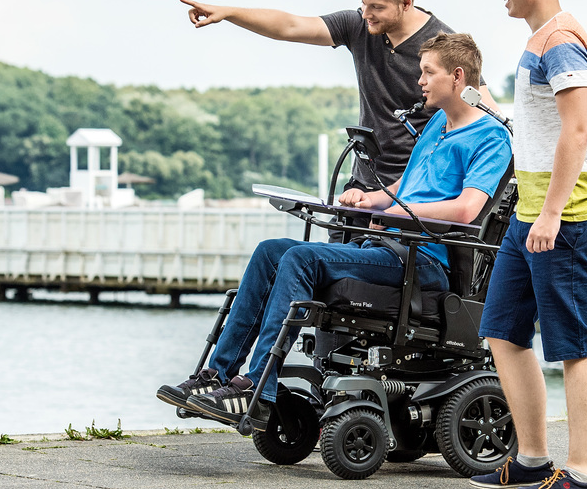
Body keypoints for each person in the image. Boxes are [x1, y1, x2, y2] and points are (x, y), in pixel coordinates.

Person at [156, 33, 512, 429]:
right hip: (385, 245)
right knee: (270, 250)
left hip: (422, 259)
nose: (420, 81)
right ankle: (218, 376)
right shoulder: (435, 126)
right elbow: (405, 189)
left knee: (300, 257)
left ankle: (257, 386)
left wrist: (398, 214)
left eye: (428, 72)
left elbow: (466, 209)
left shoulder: (491, 137)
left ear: (458, 76)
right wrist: (370, 197)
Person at [471, 0, 587, 489]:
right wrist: (491, 108)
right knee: (503, 331)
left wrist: (553, 213)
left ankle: (581, 474)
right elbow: (541, 129)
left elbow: (578, 131)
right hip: (529, 214)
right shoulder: (538, 43)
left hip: (567, 216)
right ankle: (532, 459)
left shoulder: (560, 41)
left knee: (575, 343)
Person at [181, 0, 498, 197]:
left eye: (376, 7)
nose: (366, 14)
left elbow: (487, 114)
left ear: (406, 2)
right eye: (363, 4)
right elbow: (290, 26)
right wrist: (228, 13)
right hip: (361, 182)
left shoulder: (441, 46)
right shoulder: (359, 26)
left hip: (411, 189)